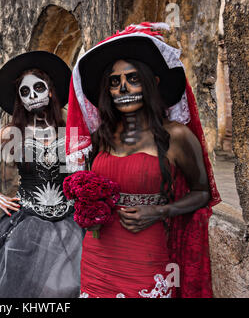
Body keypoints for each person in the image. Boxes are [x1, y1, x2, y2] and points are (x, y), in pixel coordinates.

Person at [66, 23, 221, 298]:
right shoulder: (101, 136)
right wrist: (89, 212)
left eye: (133, 78)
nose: (123, 88)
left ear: (154, 82)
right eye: (114, 82)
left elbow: (202, 192)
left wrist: (160, 211)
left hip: (147, 252)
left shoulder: (176, 136)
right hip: (98, 252)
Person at [0, 51, 84, 298]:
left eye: (38, 88)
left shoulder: (70, 129)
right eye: (24, 92)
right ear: (19, 99)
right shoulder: (12, 133)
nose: (32, 96)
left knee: (68, 286)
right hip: (27, 223)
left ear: (51, 91)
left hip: (70, 222)